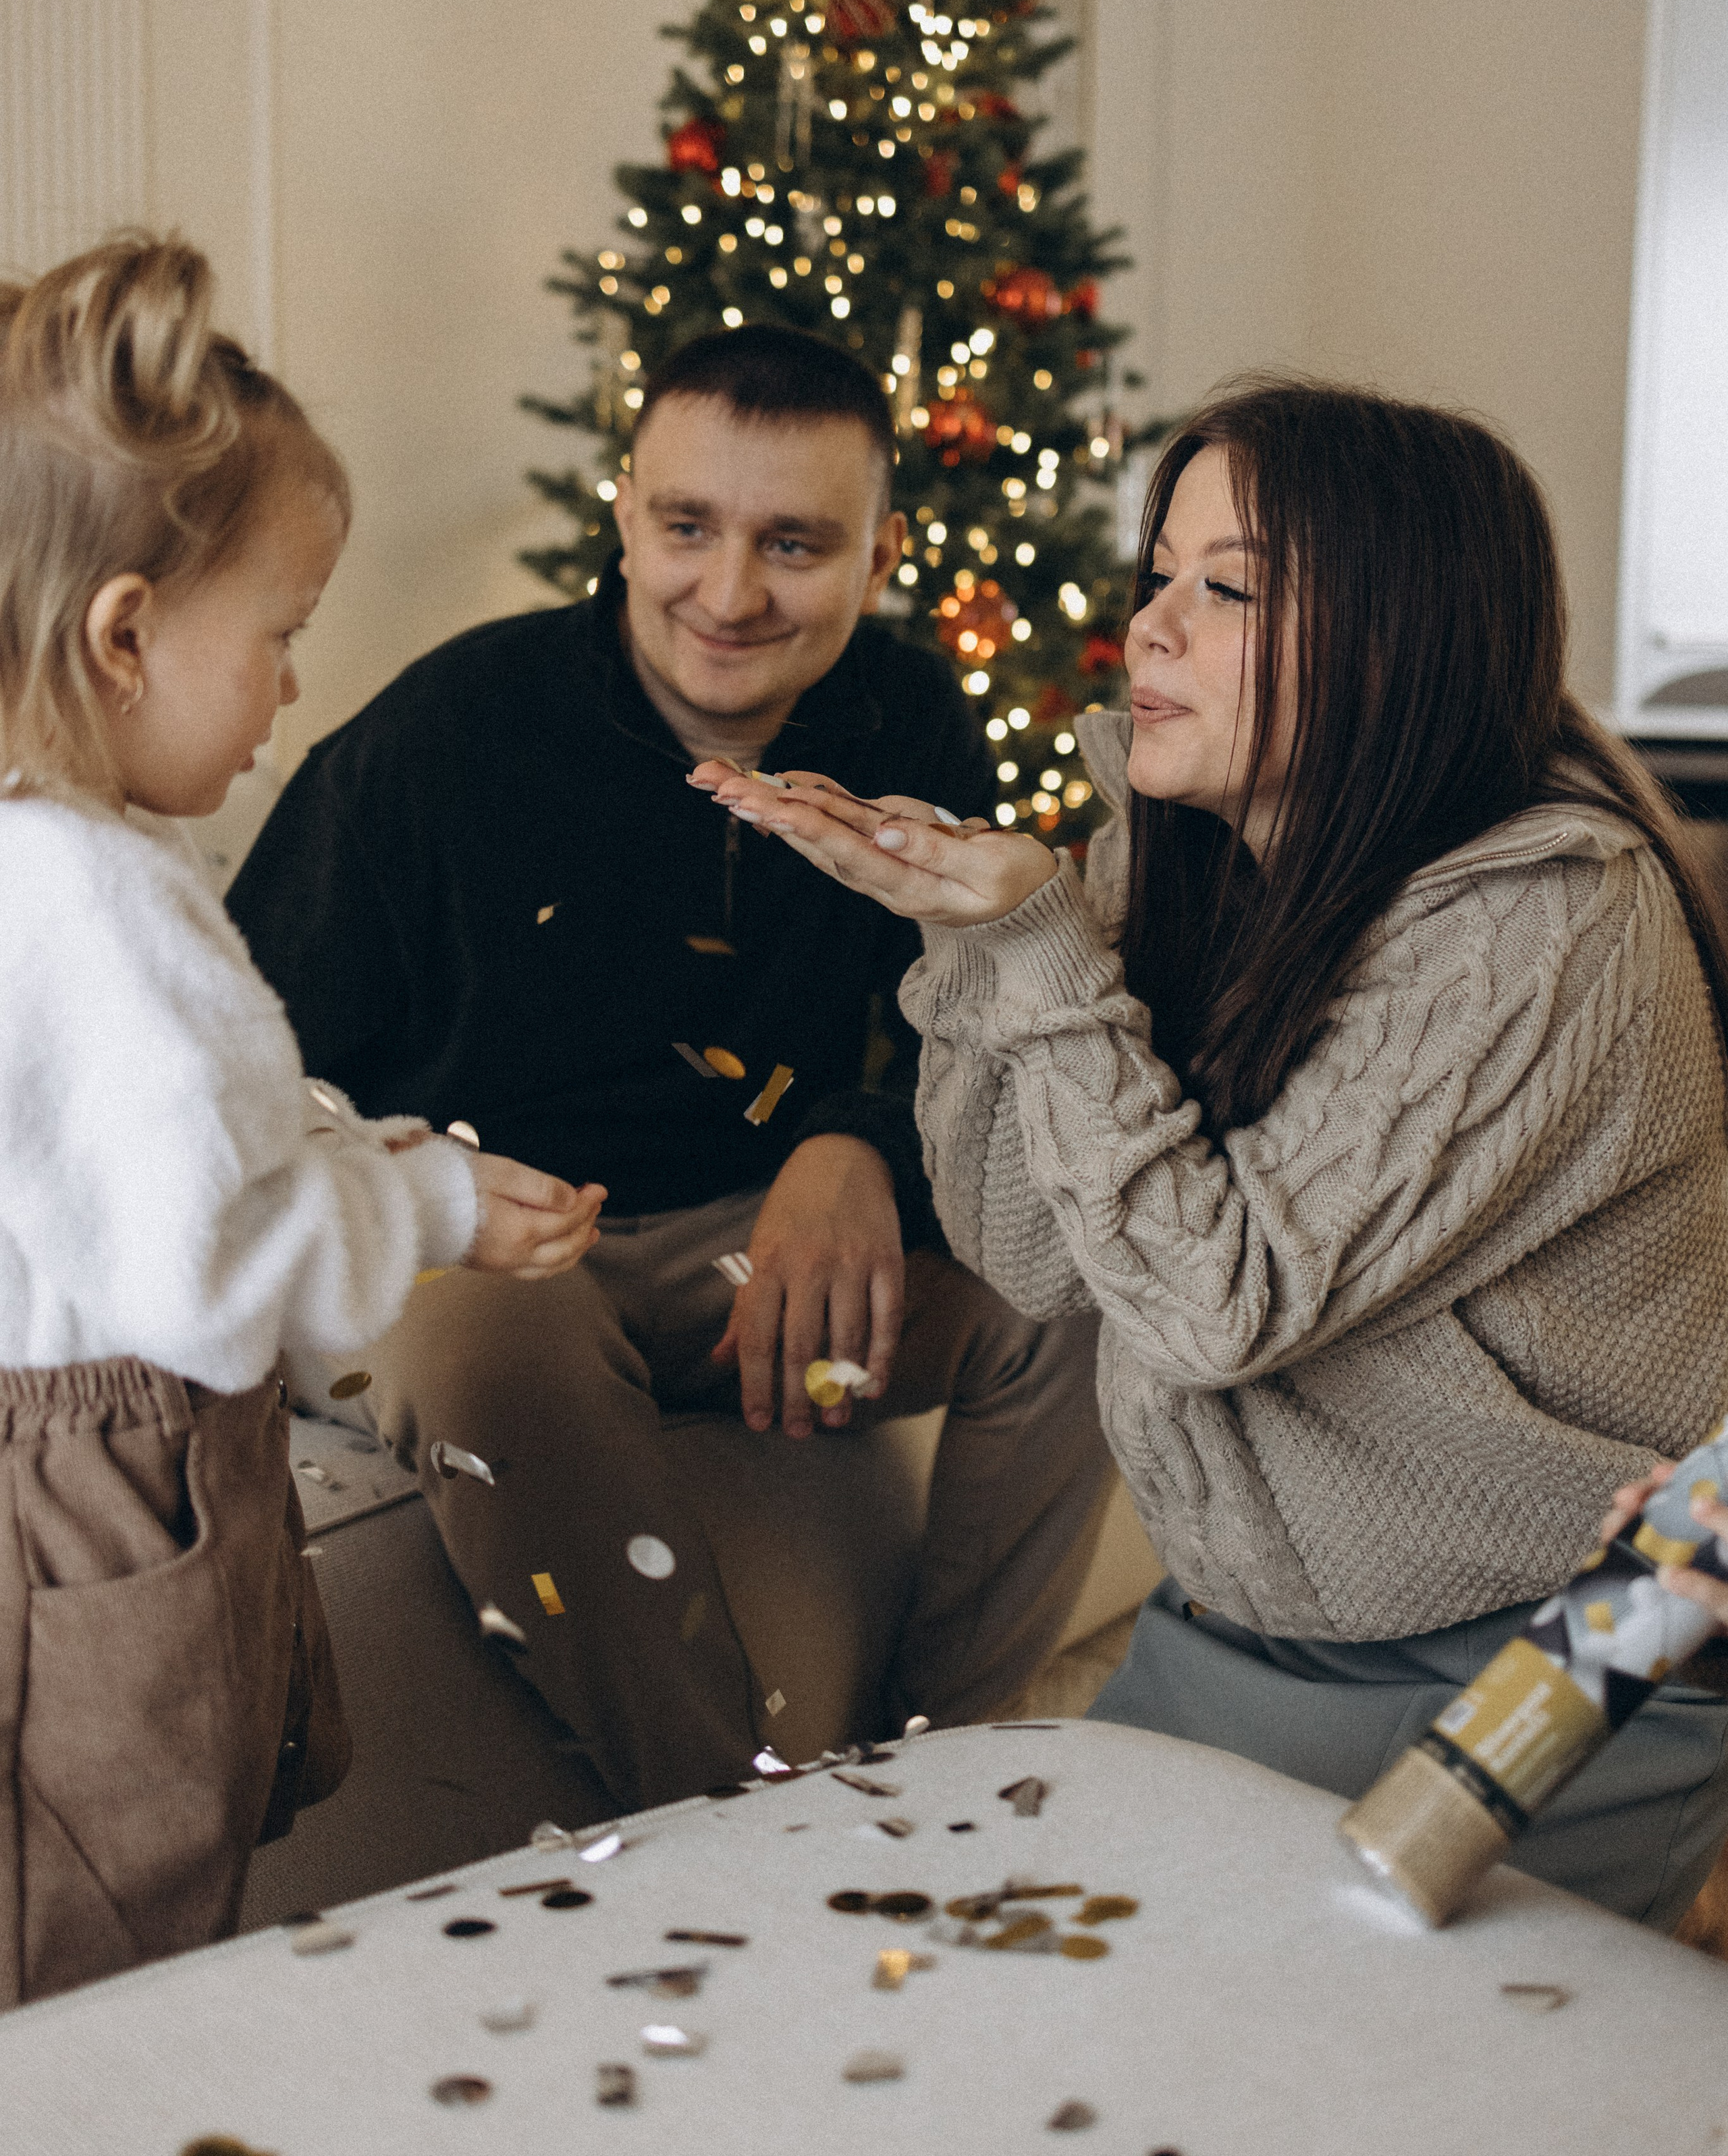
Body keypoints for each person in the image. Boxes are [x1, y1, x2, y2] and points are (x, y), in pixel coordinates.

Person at [697, 377, 1728, 1929]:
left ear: (1399, 635)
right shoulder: (1188, 850)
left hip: (1536, 1661)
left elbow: (1207, 1302)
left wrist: (1037, 950)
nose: (1150, 629)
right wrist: (968, 942)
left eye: (1227, 586)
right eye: (1155, 576)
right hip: (1248, 1623)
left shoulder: (1549, 915)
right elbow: (1029, 1252)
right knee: (1008, 1984)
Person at [227, 321, 1112, 1816]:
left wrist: (854, 1148)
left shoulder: (907, 722)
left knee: (1079, 1273)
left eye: (793, 543)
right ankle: (731, 1820)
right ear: (625, 513)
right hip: (468, 1256)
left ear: (879, 552)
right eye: (686, 525)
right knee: (510, 1335)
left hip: (735, 1286)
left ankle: (946, 1771)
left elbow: (975, 1017)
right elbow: (245, 1077)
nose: (728, 591)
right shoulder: (444, 739)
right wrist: (427, 1191)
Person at [0, 234, 599, 2007]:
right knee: (111, 1924)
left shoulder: (48, 853)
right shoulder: (98, 898)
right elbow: (212, 1256)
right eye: (276, 638)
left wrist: (356, 1142)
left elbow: (168, 1141)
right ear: (126, 634)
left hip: (66, 1446)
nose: (288, 694)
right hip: (93, 1486)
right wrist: (428, 1209)